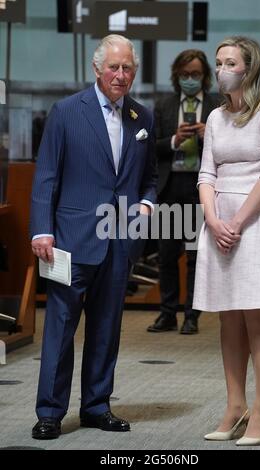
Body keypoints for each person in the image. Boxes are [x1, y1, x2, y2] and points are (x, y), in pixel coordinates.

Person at [30, 34, 157, 440]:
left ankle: (97, 406)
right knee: (60, 329)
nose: (121, 75)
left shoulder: (143, 117)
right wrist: (42, 229)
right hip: (69, 239)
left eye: (128, 69)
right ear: (97, 69)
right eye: (114, 68)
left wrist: (148, 206)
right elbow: (46, 174)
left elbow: (150, 178)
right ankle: (50, 411)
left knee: (107, 328)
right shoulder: (66, 111)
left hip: (120, 242)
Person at [193, 36, 260, 446]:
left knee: (256, 318)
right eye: (218, 62)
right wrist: (215, 220)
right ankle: (235, 406)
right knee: (227, 316)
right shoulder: (216, 118)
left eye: (229, 62)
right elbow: (206, 175)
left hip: (258, 221)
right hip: (219, 225)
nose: (220, 70)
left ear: (249, 68)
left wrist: (236, 221)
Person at [147, 49, 218, 335]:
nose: (190, 79)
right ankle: (167, 314)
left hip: (201, 187)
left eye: (196, 74)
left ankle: (192, 315)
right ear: (177, 76)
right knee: (166, 255)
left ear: (205, 76)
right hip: (170, 185)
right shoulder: (164, 105)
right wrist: (175, 139)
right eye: (185, 74)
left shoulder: (217, 106)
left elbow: (228, 147)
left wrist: (208, 135)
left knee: (195, 255)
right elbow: (150, 147)